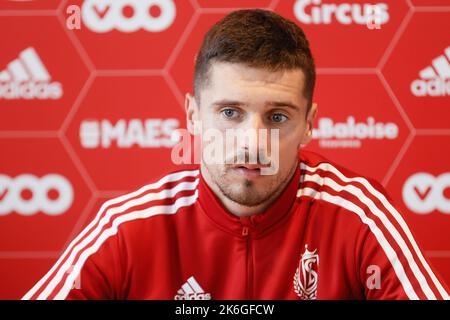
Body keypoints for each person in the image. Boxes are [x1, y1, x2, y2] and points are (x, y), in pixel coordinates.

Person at [23, 9, 448, 300]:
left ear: (310, 123)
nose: (253, 143)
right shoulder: (128, 228)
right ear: (192, 115)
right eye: (230, 113)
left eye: (278, 117)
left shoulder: (358, 214)